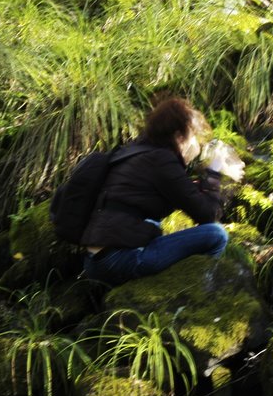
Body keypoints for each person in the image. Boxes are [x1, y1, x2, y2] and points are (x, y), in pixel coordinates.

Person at [81, 97, 244, 285]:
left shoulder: (136, 151)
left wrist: (207, 176)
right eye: (193, 136)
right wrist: (215, 172)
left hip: (95, 261)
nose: (197, 145)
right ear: (179, 136)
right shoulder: (162, 161)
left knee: (157, 226)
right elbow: (208, 215)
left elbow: (183, 192)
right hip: (120, 260)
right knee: (216, 234)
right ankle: (199, 290)